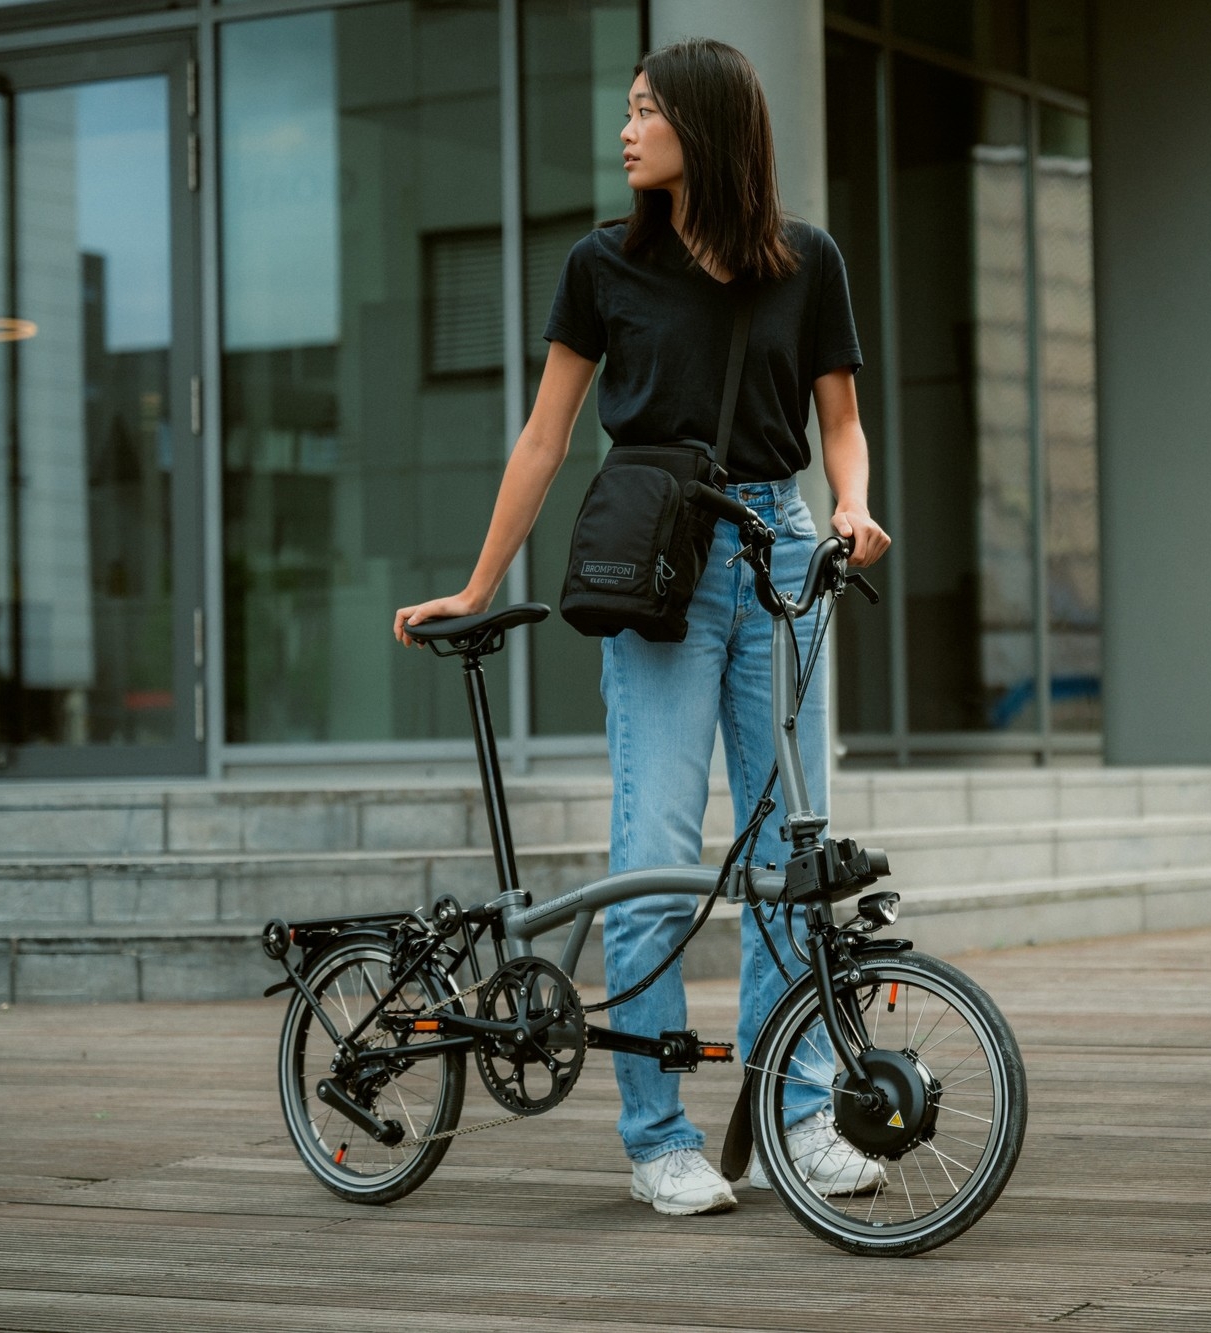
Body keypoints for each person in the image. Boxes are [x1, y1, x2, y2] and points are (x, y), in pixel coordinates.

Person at [393, 38, 890, 1217]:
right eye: (624, 112)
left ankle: (794, 1116)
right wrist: (475, 583)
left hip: (777, 558)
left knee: (789, 862)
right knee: (658, 857)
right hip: (661, 573)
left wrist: (855, 505)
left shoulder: (805, 262)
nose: (624, 133)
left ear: (703, 129)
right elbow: (543, 437)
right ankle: (657, 1133)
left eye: (644, 112)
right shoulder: (601, 265)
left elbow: (844, 428)